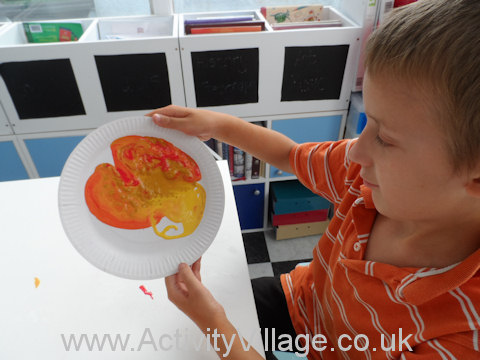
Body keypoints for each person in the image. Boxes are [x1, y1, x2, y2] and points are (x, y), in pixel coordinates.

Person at [146, 0, 480, 358]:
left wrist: (214, 323)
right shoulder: (363, 175)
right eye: (369, 124)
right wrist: (218, 125)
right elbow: (290, 156)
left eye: (385, 138)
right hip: (303, 304)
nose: (354, 151)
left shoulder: (464, 330)